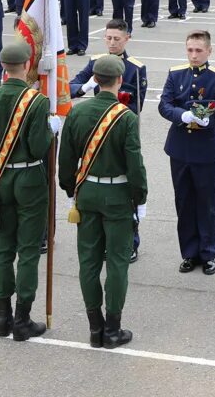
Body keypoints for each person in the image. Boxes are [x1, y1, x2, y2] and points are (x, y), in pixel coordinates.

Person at [58, 54, 146, 349]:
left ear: (95, 80)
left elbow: (66, 158)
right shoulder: (126, 116)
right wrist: (140, 197)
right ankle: (113, 328)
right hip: (118, 195)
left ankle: (95, 327)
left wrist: (71, 189)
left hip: (87, 194)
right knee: (118, 262)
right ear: (119, 80)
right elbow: (135, 164)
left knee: (89, 262)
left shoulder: (76, 113)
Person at [0, 42, 55, 341]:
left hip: (0, 181)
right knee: (29, 250)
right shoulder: (36, 101)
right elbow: (37, 146)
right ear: (27, 64)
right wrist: (51, 130)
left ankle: (2, 318)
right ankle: (22, 320)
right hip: (30, 179)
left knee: (3, 248)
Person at [68, 19, 149, 261]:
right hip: (96, 136)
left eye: (117, 38)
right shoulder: (96, 63)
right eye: (108, 37)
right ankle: (102, 239)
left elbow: (137, 106)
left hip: (122, 133)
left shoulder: (135, 68)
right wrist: (86, 86)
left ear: (127, 39)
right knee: (98, 188)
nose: (112, 42)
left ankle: (130, 241)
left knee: (125, 187)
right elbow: (70, 88)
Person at [159, 30, 215, 276]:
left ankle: (208, 253)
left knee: (206, 202)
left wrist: (208, 121)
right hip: (179, 148)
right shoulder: (176, 73)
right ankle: (189, 253)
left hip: (205, 150)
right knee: (184, 201)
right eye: (190, 49)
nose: (194, 55)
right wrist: (182, 116)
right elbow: (164, 105)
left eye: (199, 50)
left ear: (209, 51)